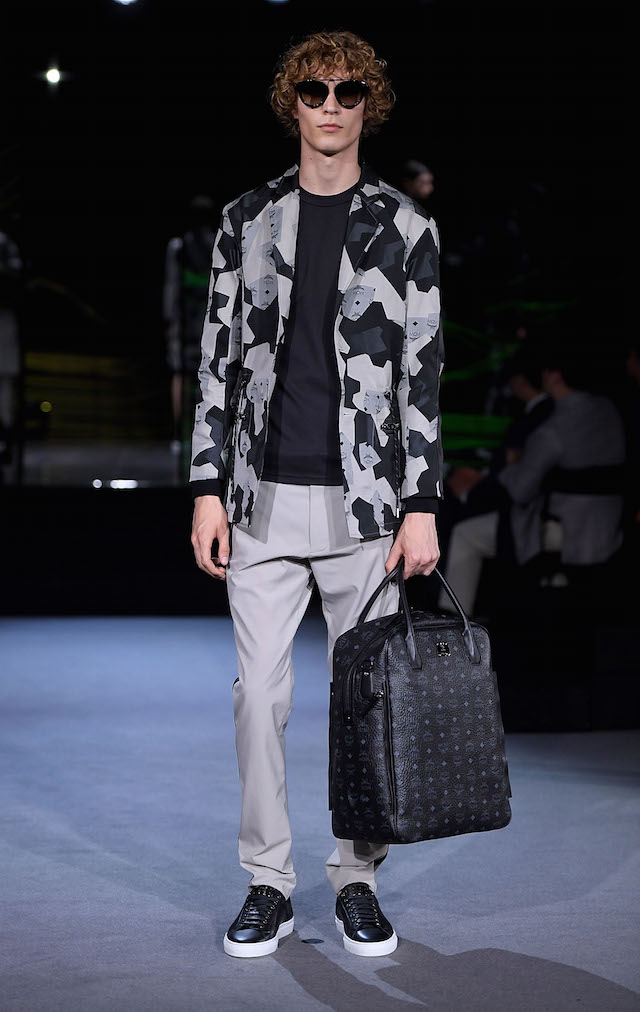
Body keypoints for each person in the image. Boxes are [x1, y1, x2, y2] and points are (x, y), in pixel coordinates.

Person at [189, 29, 444, 958]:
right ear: (290, 101)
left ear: (369, 103)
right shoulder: (246, 219)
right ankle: (268, 881)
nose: (330, 106)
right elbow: (215, 359)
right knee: (258, 698)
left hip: (366, 506)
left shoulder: (407, 230)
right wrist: (205, 488)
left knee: (363, 702)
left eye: (346, 91)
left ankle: (357, 878)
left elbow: (423, 373)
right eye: (313, 89)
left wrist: (422, 503)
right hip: (259, 497)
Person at [438, 348, 553, 616]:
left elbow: (519, 480)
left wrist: (475, 489)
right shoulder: (542, 415)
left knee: (459, 522)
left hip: (526, 511)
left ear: (519, 381)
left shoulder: (538, 419)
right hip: (527, 503)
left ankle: (453, 615)